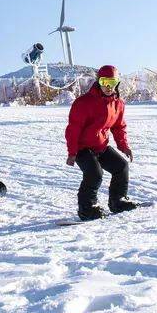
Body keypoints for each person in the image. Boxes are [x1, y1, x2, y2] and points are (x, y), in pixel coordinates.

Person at [65, 65, 139, 220]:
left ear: (117, 83)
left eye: (112, 83)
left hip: (101, 146)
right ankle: (87, 208)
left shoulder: (118, 104)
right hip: (82, 148)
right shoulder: (83, 103)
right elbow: (73, 129)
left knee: (121, 166)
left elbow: (119, 127)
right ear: (99, 81)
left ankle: (117, 201)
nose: (108, 87)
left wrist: (124, 146)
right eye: (105, 82)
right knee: (95, 173)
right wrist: (72, 153)